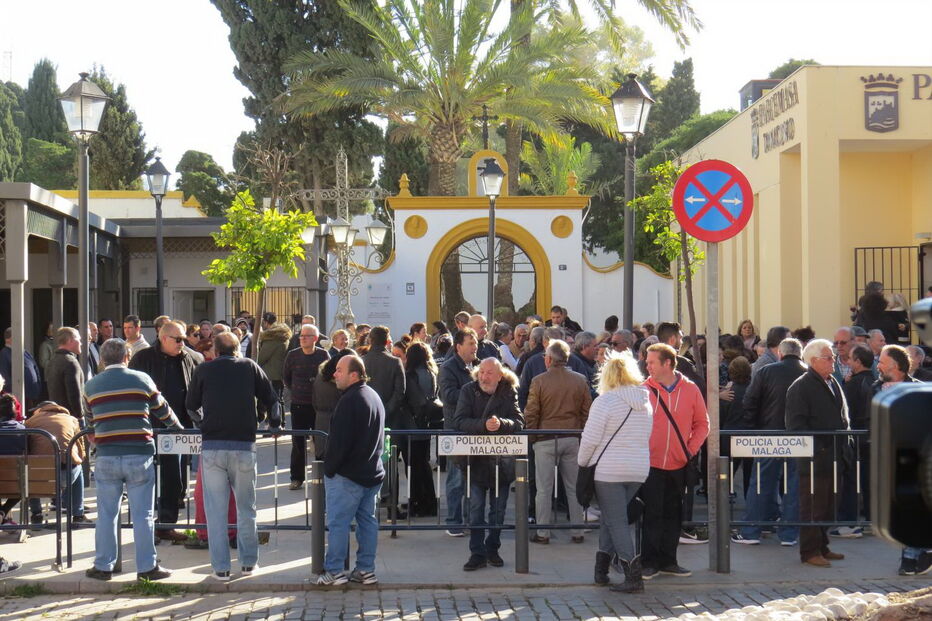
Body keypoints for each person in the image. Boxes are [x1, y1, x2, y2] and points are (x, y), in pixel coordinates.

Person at [83, 338, 181, 582]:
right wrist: (178, 428)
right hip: (140, 453)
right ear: (127, 356)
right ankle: (147, 567)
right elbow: (163, 410)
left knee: (107, 514)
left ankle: (103, 565)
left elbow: (89, 422)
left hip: (106, 456)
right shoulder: (142, 379)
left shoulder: (91, 385)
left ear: (103, 359)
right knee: (143, 514)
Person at [186, 332, 280, 581]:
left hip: (213, 445)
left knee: (215, 512)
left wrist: (203, 424)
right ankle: (249, 562)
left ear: (215, 350)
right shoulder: (249, 367)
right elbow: (272, 398)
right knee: (246, 508)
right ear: (238, 349)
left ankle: (221, 568)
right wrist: (274, 424)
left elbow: (190, 404)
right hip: (243, 445)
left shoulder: (204, 370)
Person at [578, 351, 652, 592]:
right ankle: (600, 571)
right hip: (638, 469)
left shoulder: (605, 401)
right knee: (611, 518)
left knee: (616, 521)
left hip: (609, 470)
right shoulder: (645, 402)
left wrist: (583, 463)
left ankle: (633, 576)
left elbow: (589, 440)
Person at [641, 343, 709, 579]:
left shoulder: (690, 389)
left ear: (667, 363)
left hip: (679, 463)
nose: (647, 366)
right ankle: (648, 562)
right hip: (650, 463)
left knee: (673, 514)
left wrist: (690, 451)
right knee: (651, 514)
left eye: (651, 362)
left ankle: (669, 560)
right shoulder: (644, 389)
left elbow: (703, 423)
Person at [129, 320, 200, 543]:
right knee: (147, 477)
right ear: (163, 338)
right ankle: (147, 525)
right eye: (178, 339)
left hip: (178, 428)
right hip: (148, 427)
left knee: (174, 478)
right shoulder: (143, 358)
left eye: (184, 339)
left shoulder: (192, 358)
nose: (182, 343)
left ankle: (166, 525)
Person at [317, 355, 385, 586]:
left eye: (339, 370)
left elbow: (339, 443)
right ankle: (365, 569)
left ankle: (335, 571)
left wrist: (330, 469)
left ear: (353, 374)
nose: (334, 374)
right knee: (367, 522)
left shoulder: (351, 400)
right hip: (370, 472)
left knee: (338, 523)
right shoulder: (372, 396)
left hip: (349, 476)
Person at [732, 338, 805, 546]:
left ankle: (752, 530)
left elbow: (750, 401)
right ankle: (789, 533)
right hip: (799, 437)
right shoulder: (808, 373)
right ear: (800, 354)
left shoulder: (767, 372)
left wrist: (753, 428)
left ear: (780, 353)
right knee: (794, 484)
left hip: (769, 434)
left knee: (761, 482)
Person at [452, 357, 523, 571]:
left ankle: (493, 549)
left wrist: (502, 424)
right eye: (481, 371)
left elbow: (519, 421)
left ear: (499, 375)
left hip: (501, 463)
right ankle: (477, 553)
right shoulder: (468, 390)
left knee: (498, 511)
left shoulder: (508, 391)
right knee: (476, 509)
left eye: (489, 372)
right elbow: (459, 421)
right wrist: (483, 425)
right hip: (475, 462)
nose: (484, 376)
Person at [785, 338, 850, 568]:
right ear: (813, 361)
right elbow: (796, 426)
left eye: (832, 356)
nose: (834, 360)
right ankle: (809, 551)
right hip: (816, 459)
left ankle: (822, 545)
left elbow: (843, 418)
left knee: (829, 505)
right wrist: (819, 448)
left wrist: (846, 446)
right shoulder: (801, 387)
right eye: (828, 357)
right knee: (813, 505)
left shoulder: (832, 381)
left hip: (835, 456)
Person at [524, 339, 592, 545]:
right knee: (573, 487)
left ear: (549, 359)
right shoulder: (580, 380)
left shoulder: (539, 381)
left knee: (544, 489)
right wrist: (579, 433)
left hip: (545, 439)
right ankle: (577, 530)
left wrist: (534, 437)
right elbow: (587, 412)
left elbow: (532, 413)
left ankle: (543, 533)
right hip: (571, 437)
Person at [438, 327, 478, 536]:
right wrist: (474, 390)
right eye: (471, 343)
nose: (475, 347)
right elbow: (448, 395)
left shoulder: (477, 365)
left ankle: (471, 520)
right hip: (456, 429)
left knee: (474, 478)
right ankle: (454, 521)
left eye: (476, 342)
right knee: (456, 478)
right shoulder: (448, 368)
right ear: (458, 346)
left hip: (475, 428)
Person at [282, 324, 330, 490]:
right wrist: (297, 390)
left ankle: (323, 476)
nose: (302, 338)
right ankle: (296, 478)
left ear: (315, 339)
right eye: (301, 335)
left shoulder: (323, 355)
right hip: (299, 405)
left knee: (321, 442)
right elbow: (286, 378)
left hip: (318, 405)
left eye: (307, 336)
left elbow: (329, 376)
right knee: (298, 443)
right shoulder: (293, 355)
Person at [24, 400, 87, 524]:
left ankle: (36, 514)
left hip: (40, 478)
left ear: (40, 410)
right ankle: (78, 515)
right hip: (65, 476)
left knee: (29, 473)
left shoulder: (30, 422)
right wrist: (80, 459)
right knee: (78, 468)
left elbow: (27, 448)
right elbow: (81, 449)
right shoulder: (72, 420)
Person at [401, 342, 440, 517]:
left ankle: (418, 502)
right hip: (426, 423)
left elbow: (409, 398)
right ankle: (429, 502)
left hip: (412, 424)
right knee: (423, 464)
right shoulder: (431, 373)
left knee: (414, 466)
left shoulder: (410, 375)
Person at [313, 352, 351, 461]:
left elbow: (314, 400)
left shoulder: (320, 375)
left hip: (321, 420)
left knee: (322, 459)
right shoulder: (341, 382)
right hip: (338, 422)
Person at [44, 328, 87, 421]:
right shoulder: (70, 362)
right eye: (79, 339)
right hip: (71, 418)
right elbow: (74, 393)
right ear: (70, 340)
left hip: (57, 415)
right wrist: (80, 415)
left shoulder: (53, 360)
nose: (81, 343)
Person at [0, 327, 42, 406]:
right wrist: (14, 394)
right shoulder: (4, 354)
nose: (20, 339)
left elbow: (35, 368)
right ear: (8, 339)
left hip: (32, 396)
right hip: (19, 399)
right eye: (17, 336)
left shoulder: (25, 352)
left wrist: (38, 386)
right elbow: (5, 377)